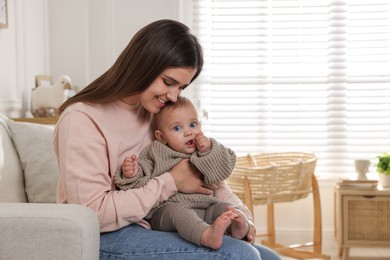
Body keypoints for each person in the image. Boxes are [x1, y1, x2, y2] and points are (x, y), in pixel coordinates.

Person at [54, 19, 281, 260]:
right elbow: (92, 214)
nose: (173, 96)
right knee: (241, 256)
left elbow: (203, 175)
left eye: (181, 87)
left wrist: (242, 215)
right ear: (142, 65)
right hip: (104, 236)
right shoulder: (82, 119)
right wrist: (171, 181)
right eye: (168, 82)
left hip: (158, 223)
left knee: (268, 258)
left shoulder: (156, 112)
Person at [115, 96, 247, 250]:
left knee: (225, 208)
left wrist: (208, 150)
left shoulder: (204, 149)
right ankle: (205, 236)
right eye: (177, 128)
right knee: (178, 212)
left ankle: (237, 228)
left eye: (193, 124)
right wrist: (132, 173)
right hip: (166, 212)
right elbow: (143, 179)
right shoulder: (156, 151)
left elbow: (223, 170)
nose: (188, 133)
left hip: (205, 208)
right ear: (162, 137)